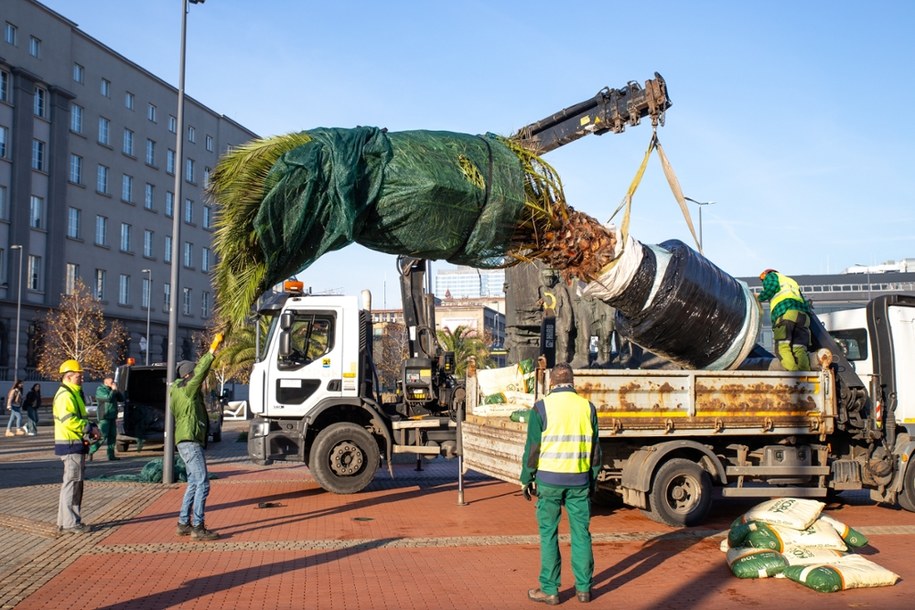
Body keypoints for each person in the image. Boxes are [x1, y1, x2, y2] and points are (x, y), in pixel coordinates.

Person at [520, 362, 601, 605]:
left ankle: (550, 589)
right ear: (573, 382)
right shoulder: (587, 407)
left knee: (548, 534)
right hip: (579, 481)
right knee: (581, 534)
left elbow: (533, 450)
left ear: (551, 383)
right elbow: (596, 451)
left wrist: (526, 478)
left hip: (549, 481)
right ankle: (584, 589)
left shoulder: (541, 408)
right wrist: (593, 479)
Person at [174, 332, 224, 541]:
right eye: (193, 374)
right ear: (188, 375)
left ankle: (183, 522)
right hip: (190, 440)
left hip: (183, 441)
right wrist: (213, 347)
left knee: (194, 482)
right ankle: (198, 526)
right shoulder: (188, 389)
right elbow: (202, 370)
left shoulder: (175, 391)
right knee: (203, 482)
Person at [54, 359, 100, 534]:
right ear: (68, 376)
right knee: (73, 485)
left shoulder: (71, 393)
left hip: (73, 443)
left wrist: (89, 426)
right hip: (71, 444)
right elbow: (69, 421)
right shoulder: (66, 395)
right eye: (78, 376)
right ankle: (71, 523)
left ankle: (64, 521)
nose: (81, 378)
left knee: (71, 483)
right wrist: (89, 428)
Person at [757, 269, 812, 371]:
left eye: (762, 280)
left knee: (782, 347)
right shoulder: (791, 281)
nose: (763, 282)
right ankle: (807, 377)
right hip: (803, 316)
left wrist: (757, 298)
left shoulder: (772, 276)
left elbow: (771, 287)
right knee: (799, 349)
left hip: (786, 313)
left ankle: (795, 378)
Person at [95, 376, 123, 460]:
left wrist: (117, 391)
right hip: (104, 416)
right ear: (105, 382)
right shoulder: (100, 390)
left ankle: (111, 455)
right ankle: (90, 450)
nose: (113, 384)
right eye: (111, 383)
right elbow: (108, 398)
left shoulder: (112, 390)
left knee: (112, 436)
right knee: (103, 436)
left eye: (113, 382)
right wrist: (113, 390)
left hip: (112, 416)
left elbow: (121, 399)